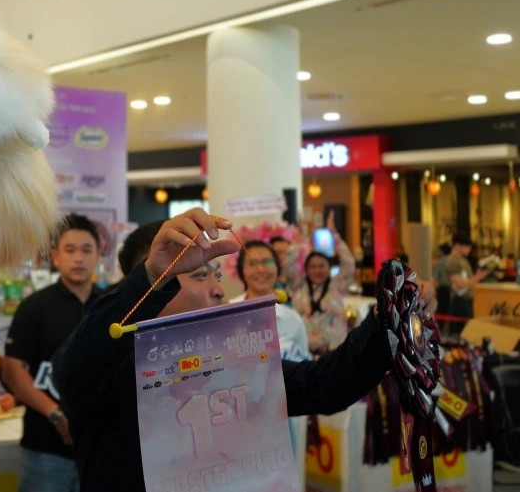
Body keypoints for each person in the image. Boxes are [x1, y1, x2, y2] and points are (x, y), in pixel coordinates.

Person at [53, 210, 395, 492]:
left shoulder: (227, 361)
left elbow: (320, 385)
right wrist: (150, 277)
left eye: (217, 275)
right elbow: (75, 376)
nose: (219, 290)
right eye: (201, 275)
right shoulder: (108, 361)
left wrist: (385, 323)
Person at [2, 214, 103, 492]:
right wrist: (55, 414)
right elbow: (13, 370)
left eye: (86, 250)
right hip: (44, 448)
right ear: (55, 256)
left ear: (98, 255)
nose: (79, 258)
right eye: (70, 251)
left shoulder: (109, 306)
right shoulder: (35, 307)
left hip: (98, 449)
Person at [230, 240, 309, 362]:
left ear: (277, 267)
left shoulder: (292, 319)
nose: (261, 269)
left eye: (267, 262)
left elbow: (303, 368)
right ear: (242, 271)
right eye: (252, 263)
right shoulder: (227, 313)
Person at [290, 251, 349, 354]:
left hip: (332, 353)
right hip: (304, 354)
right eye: (313, 266)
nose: (318, 270)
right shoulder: (298, 292)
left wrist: (335, 237)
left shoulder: (338, 289)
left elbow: (349, 263)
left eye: (322, 266)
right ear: (306, 270)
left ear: (329, 268)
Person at [446, 233, 491, 335]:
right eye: (466, 246)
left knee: (467, 333)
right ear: (457, 245)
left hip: (466, 301)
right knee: (459, 334)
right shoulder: (452, 261)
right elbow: (459, 284)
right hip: (459, 302)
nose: (469, 249)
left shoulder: (463, 260)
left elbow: (468, 280)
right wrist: (479, 276)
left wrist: (480, 275)